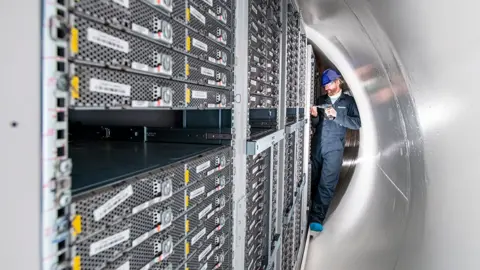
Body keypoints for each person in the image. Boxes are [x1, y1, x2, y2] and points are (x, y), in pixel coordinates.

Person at [310, 69, 361, 232]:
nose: (326, 88)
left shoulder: (348, 102)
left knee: (327, 183)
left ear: (338, 81)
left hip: (334, 148)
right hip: (317, 145)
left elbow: (357, 123)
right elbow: (316, 124)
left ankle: (317, 218)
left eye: (329, 84)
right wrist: (314, 116)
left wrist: (337, 115)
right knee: (313, 178)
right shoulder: (321, 99)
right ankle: (306, 208)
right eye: (324, 85)